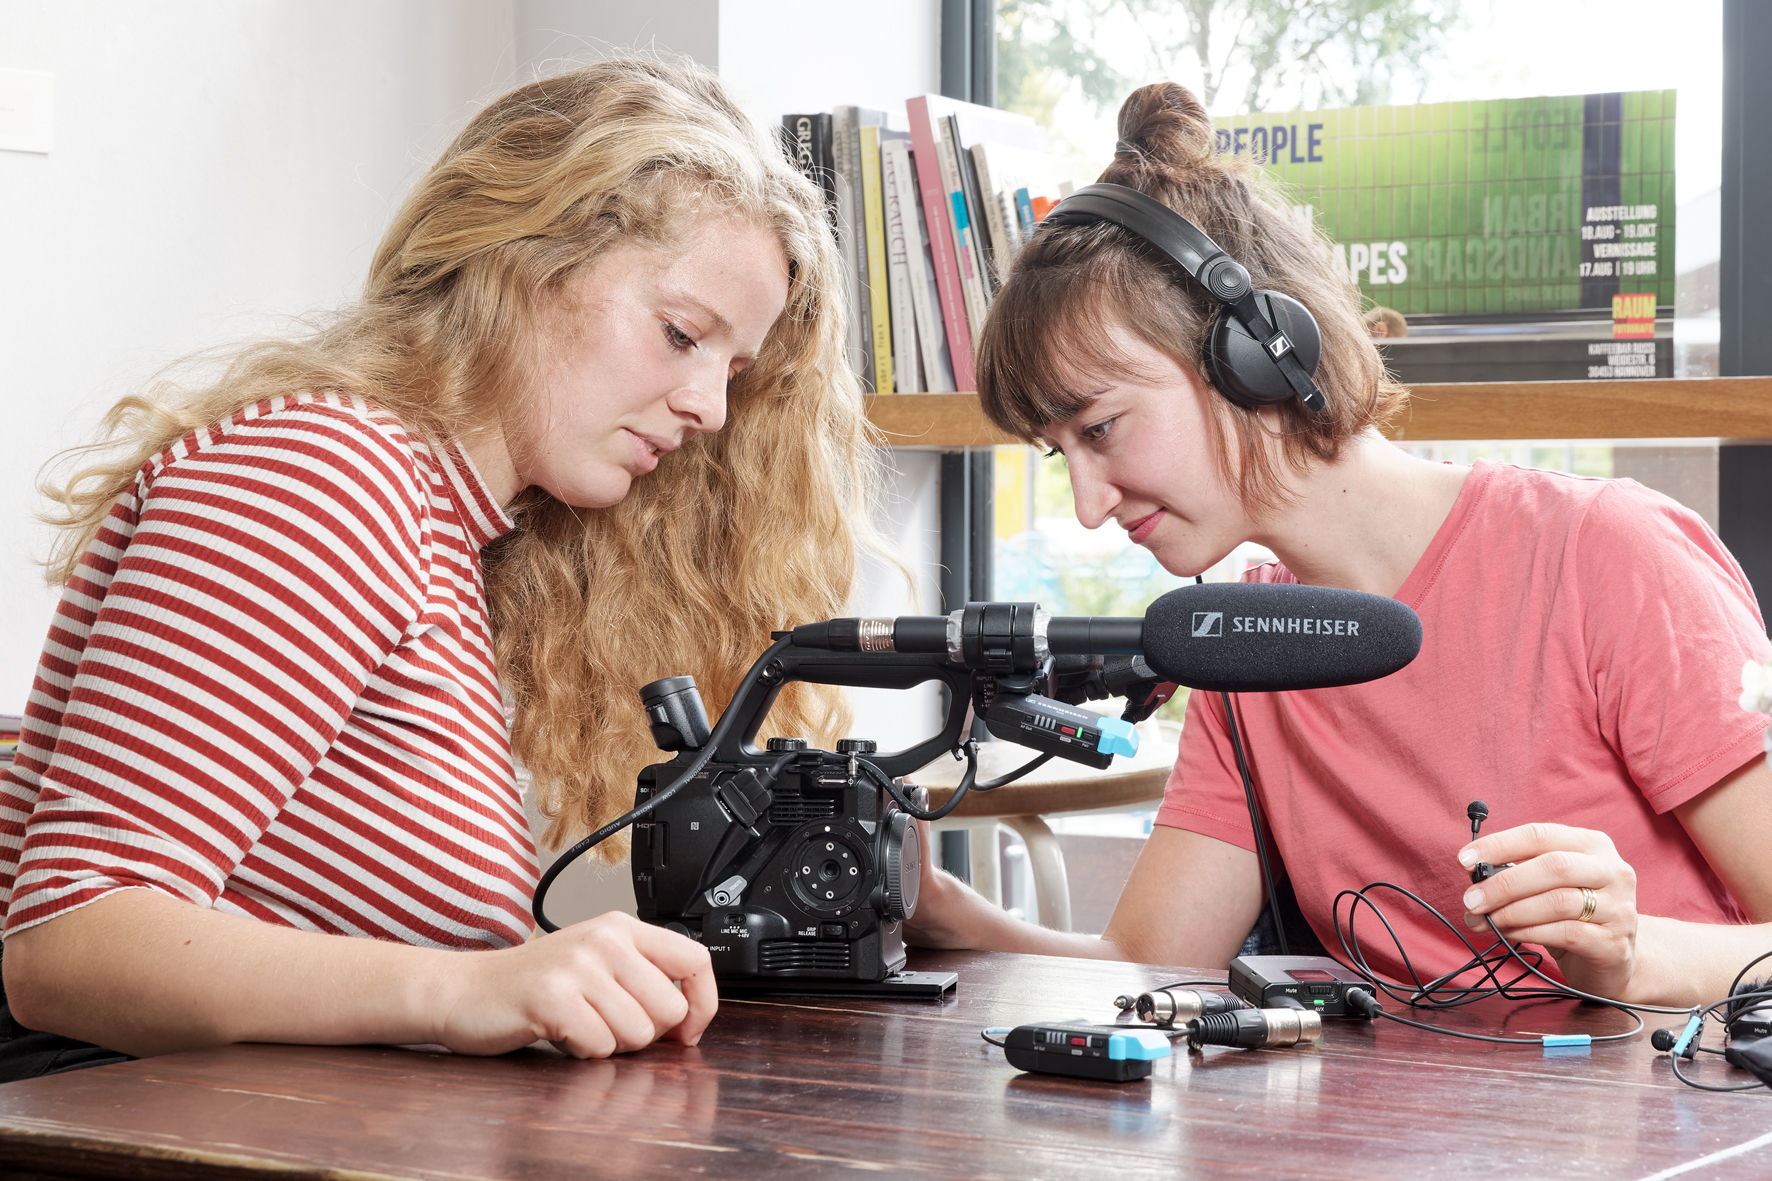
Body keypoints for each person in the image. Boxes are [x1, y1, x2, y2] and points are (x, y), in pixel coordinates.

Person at [0, 57, 874, 1080]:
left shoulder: (449, 531)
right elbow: (70, 945)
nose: (709, 409)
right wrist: (466, 985)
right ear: (521, 260)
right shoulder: (318, 473)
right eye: (680, 333)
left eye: (730, 370)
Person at [906, 81, 1772, 1009]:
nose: (1085, 504)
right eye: (1060, 452)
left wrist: (1632, 958)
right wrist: (934, 902)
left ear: (1255, 350)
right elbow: (1151, 967)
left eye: (1103, 428)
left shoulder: (1607, 558)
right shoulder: (1245, 646)